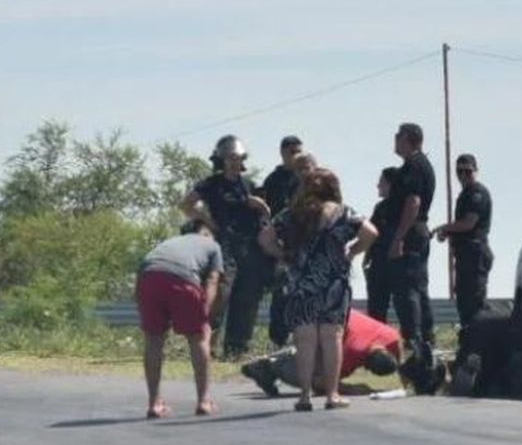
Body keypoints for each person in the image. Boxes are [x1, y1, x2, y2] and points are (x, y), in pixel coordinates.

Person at [258, 168, 378, 411]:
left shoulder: (291, 214)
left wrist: (284, 254)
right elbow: (371, 232)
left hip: (301, 283)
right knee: (331, 337)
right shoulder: (343, 212)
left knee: (305, 339)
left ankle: (304, 396)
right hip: (334, 282)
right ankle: (332, 394)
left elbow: (264, 239)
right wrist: (352, 251)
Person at [181, 135, 270, 360]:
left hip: (248, 246)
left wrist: (260, 206)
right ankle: (206, 345)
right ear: (221, 158)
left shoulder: (250, 185)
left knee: (247, 296)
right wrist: (207, 220)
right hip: (222, 245)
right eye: (230, 157)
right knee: (219, 294)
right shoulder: (211, 184)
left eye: (238, 158)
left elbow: (265, 217)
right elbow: (186, 204)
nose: (234, 162)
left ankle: (236, 349)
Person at [135, 219, 223, 418]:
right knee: (198, 338)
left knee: (153, 340)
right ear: (205, 233)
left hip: (149, 277)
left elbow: (143, 272)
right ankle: (204, 401)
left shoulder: (169, 243)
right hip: (183, 279)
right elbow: (212, 279)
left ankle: (154, 403)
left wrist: (140, 302)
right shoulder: (213, 245)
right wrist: (205, 312)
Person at [240, 309, 402, 397]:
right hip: (319, 326)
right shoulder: (352, 353)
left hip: (328, 313)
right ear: (366, 362)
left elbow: (401, 355)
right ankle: (271, 368)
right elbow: (321, 384)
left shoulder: (391, 337)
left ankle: (270, 361)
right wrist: (354, 389)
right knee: (312, 375)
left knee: (314, 353)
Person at [387, 122, 438, 387]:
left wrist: (399, 238)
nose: (395, 140)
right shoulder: (412, 166)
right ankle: (424, 338)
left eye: (398, 136)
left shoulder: (416, 166)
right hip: (415, 232)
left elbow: (413, 202)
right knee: (417, 286)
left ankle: (416, 340)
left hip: (411, 233)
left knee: (409, 289)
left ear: (409, 139)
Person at [433, 153, 493, 329]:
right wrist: (448, 232)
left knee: (474, 302)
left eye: (467, 171)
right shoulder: (465, 194)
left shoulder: (477, 193)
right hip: (465, 254)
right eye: (460, 171)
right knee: (465, 301)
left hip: (475, 253)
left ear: (475, 171)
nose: (463, 176)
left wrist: (445, 228)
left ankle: (480, 345)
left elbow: (469, 223)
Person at [260, 135, 305, 348]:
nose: (297, 157)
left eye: (299, 152)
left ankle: (301, 339)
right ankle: (279, 339)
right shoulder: (274, 180)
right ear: (283, 153)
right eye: (293, 152)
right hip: (282, 242)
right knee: (282, 291)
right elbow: (268, 214)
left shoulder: (307, 179)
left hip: (304, 242)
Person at [364, 166, 402, 324]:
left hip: (395, 261)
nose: (378, 186)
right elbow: (372, 232)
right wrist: (367, 255)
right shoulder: (380, 208)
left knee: (403, 302)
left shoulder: (400, 207)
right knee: (376, 307)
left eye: (382, 182)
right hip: (379, 261)